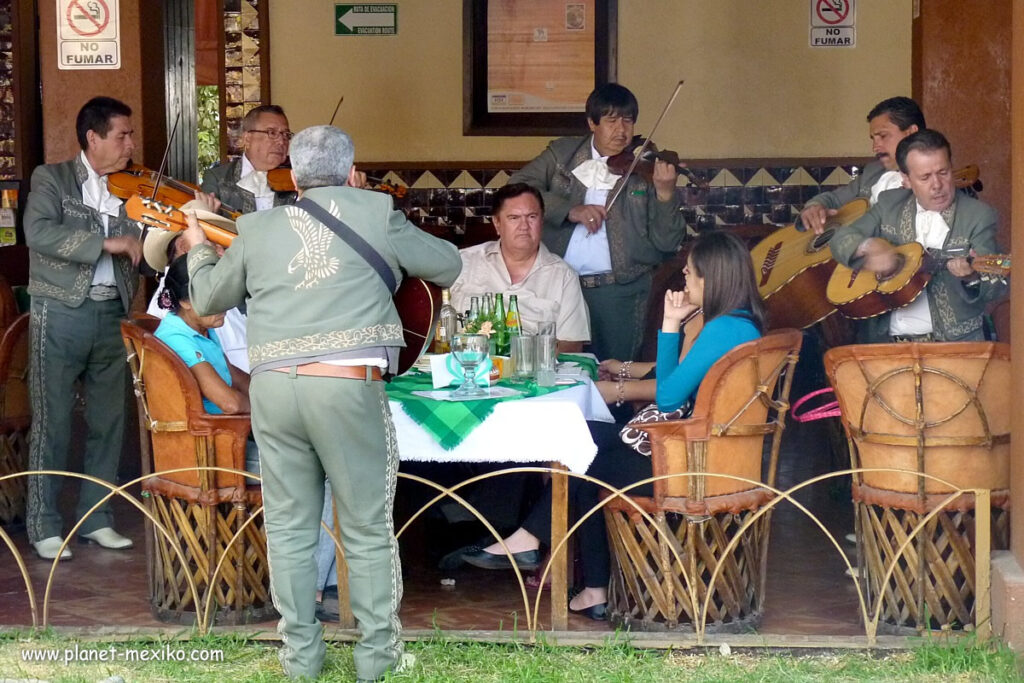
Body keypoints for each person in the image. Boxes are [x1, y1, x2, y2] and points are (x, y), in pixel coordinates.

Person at [180, 125, 462, 681]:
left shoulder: (256, 227)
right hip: (344, 384)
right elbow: (447, 265)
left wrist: (198, 248)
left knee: (288, 527)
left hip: (274, 388)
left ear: (292, 176)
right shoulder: (377, 212)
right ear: (353, 173)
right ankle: (376, 656)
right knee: (365, 525)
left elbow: (209, 297)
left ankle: (301, 658)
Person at [462, 231, 765, 620]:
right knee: (584, 445)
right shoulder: (743, 324)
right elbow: (671, 386)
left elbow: (669, 397)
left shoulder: (722, 328)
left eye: (690, 274)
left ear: (713, 277)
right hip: (703, 455)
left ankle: (543, 549)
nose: (684, 281)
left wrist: (670, 325)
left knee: (582, 450)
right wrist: (673, 324)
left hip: (686, 466)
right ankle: (586, 585)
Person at [23, 96, 142, 560]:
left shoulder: (131, 186)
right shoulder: (50, 178)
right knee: (51, 420)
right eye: (122, 135)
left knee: (109, 421)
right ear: (92, 138)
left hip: (113, 311)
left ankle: (97, 518)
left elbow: (145, 243)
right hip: (60, 311)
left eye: (130, 135)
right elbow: (39, 232)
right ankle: (44, 524)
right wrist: (107, 241)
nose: (130, 144)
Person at [509, 83, 686, 362]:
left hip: (619, 291)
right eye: (612, 120)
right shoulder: (562, 154)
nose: (622, 130)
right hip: (559, 286)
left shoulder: (645, 165)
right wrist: (570, 210)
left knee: (614, 373)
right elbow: (517, 187)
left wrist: (665, 194)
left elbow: (668, 242)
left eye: (628, 120)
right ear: (592, 123)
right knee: (553, 368)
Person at [829, 129, 1006, 343]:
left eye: (943, 172)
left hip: (954, 348)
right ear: (906, 180)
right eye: (925, 177)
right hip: (885, 345)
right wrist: (868, 246)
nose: (937, 185)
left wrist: (972, 278)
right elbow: (840, 239)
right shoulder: (889, 205)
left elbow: (995, 287)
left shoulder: (978, 215)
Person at [451, 182, 590, 352]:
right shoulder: (463, 262)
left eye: (532, 217)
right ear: (497, 223)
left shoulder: (563, 275)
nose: (524, 226)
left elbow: (572, 345)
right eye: (514, 218)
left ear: (542, 221)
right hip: (466, 370)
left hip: (529, 374)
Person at [798, 96, 925, 234]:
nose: (875, 148)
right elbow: (833, 199)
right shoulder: (874, 172)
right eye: (873, 139)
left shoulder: (932, 181)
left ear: (911, 133)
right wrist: (814, 207)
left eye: (883, 136)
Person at [200, 104, 297, 213]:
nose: (281, 141)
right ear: (247, 139)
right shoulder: (217, 179)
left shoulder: (299, 177)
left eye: (286, 134)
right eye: (272, 133)